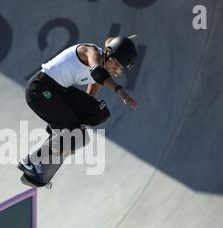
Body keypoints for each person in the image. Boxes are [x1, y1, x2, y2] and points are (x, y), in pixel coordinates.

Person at [18, 36, 138, 186]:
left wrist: (77, 128)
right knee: (73, 133)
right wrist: (120, 91)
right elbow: (97, 73)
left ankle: (58, 137)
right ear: (108, 53)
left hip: (57, 92)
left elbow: (90, 96)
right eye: (116, 64)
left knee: (94, 118)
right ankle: (30, 160)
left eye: (120, 69)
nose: (116, 70)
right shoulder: (91, 51)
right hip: (40, 89)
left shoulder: (101, 71)